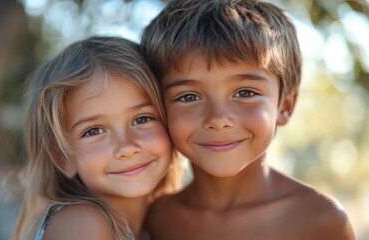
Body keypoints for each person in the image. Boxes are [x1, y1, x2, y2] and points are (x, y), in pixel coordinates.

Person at [140, 0, 355, 239]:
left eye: (245, 93)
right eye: (188, 96)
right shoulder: (155, 219)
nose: (218, 119)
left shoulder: (321, 220)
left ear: (285, 105)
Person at [12, 36, 181, 240]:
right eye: (94, 131)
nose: (126, 147)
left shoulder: (151, 228)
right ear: (62, 156)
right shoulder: (82, 224)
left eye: (142, 119)